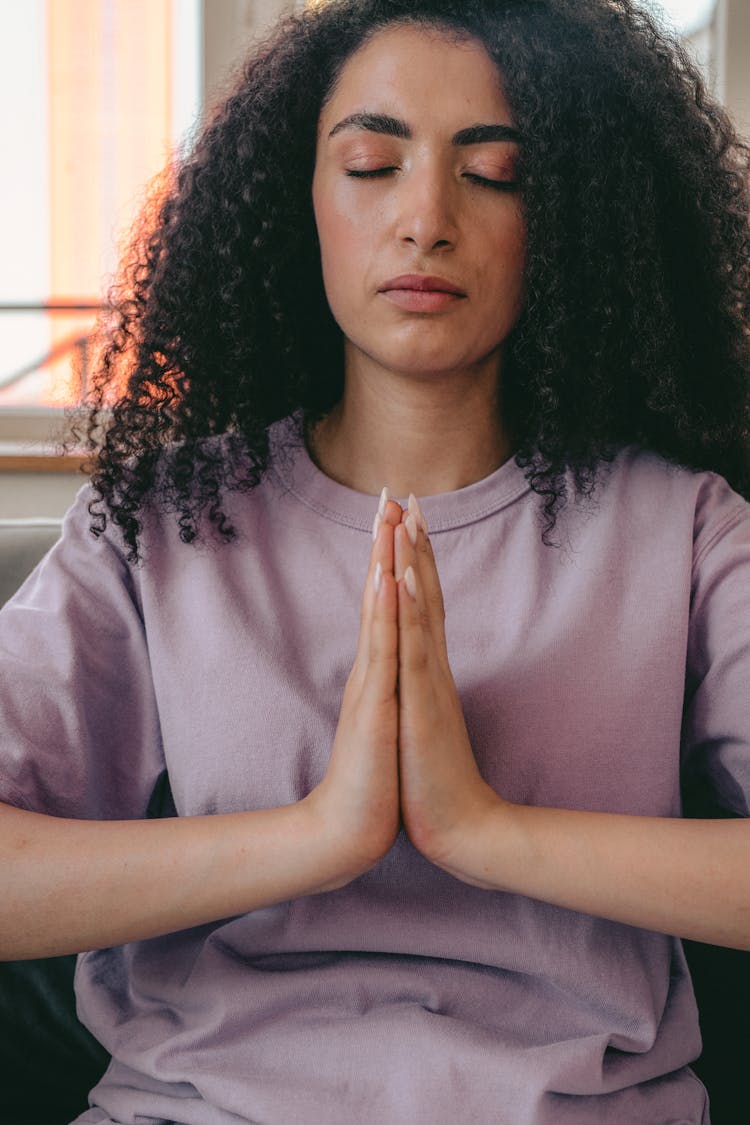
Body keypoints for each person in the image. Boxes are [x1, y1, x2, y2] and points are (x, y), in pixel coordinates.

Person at [1, 0, 750, 1121]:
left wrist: (484, 830)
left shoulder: (684, 527)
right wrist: (322, 836)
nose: (425, 220)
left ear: (579, 216)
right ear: (298, 197)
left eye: (495, 174)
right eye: (369, 164)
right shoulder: (158, 523)